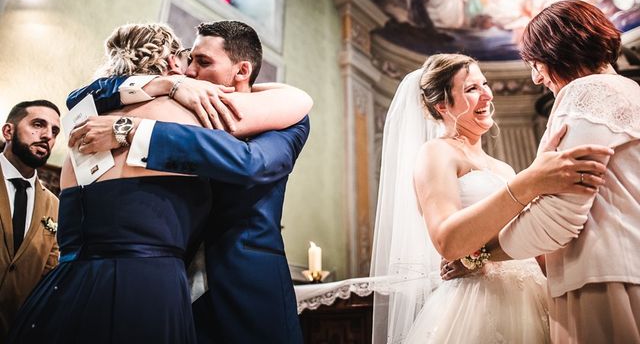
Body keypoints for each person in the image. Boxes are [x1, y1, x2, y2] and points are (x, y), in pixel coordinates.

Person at [8, 23, 311, 343]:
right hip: (161, 288)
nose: (191, 72)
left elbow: (251, 163)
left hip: (243, 285)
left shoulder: (281, 114)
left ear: (242, 69)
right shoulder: (164, 107)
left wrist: (131, 128)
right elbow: (78, 97)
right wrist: (165, 85)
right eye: (188, 60)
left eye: (203, 63)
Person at [370, 53, 613, 343]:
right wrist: (529, 184)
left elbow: (534, 243)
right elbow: (447, 240)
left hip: (534, 295)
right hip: (479, 302)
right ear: (442, 105)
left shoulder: (503, 168)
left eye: (484, 84)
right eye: (472, 89)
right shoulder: (437, 153)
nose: (487, 94)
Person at [493, 0, 640, 343]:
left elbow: (560, 215)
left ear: (557, 50)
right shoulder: (632, 91)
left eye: (535, 63)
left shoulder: (584, 92)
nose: (535, 77)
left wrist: (483, 253)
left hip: (604, 281)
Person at [0, 100, 61, 340]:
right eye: (38, 124)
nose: (47, 135)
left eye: (54, 131)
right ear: (8, 131)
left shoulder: (55, 206)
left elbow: (49, 273)